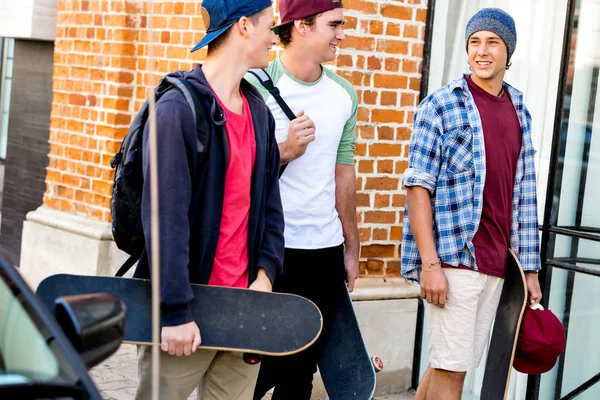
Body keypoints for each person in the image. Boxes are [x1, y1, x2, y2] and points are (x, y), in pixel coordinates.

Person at [132, 0, 284, 398]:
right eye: (270, 26)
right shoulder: (177, 110)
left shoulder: (259, 112)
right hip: (185, 316)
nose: (274, 37)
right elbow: (165, 219)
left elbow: (270, 207)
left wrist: (265, 276)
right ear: (244, 27)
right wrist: (175, 311)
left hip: (241, 312)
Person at [401, 8, 543, 400]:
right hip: (455, 257)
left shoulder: (520, 111)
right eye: (474, 42)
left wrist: (528, 270)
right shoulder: (442, 105)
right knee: (453, 372)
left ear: (507, 52)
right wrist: (430, 264)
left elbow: (524, 193)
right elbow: (417, 187)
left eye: (492, 42)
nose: (482, 51)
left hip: (498, 265)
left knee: (448, 362)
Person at [245, 0, 359, 398]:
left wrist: (351, 246)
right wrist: (286, 150)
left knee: (300, 373)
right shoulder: (254, 86)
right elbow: (236, 170)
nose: (342, 35)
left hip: (322, 253)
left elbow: (343, 175)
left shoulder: (344, 94)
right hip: (268, 252)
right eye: (335, 25)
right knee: (250, 370)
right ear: (303, 26)